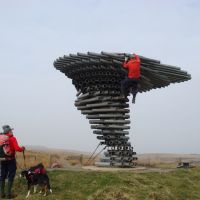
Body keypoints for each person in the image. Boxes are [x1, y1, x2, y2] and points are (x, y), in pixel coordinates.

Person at [0, 125, 25, 199]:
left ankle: (1, 194)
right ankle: (8, 195)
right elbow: (17, 148)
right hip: (11, 160)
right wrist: (22, 148)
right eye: (11, 130)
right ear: (9, 131)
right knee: (11, 176)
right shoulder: (12, 138)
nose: (12, 131)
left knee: (2, 176)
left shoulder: (1, 138)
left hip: (2, 160)